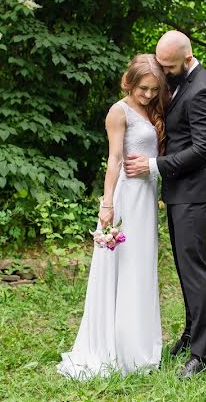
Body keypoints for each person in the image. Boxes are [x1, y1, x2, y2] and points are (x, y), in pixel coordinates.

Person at [56, 54, 168, 380]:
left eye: (153, 89)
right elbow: (115, 159)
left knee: (142, 267)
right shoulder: (119, 112)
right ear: (129, 82)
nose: (147, 95)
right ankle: (116, 347)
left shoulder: (152, 109)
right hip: (126, 198)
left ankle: (138, 345)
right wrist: (107, 206)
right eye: (143, 88)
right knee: (125, 267)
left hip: (146, 200)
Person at [123, 30, 206, 380]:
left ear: (187, 57)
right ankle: (190, 335)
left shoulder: (205, 90)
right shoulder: (181, 81)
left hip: (195, 193)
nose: (162, 73)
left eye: (168, 66)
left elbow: (202, 150)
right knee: (184, 269)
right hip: (180, 192)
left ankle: (205, 355)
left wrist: (153, 166)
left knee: (195, 270)